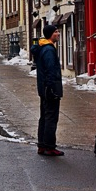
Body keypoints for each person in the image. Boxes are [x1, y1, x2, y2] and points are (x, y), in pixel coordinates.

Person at [30, 24, 64, 156]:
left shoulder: (42, 47)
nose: (58, 34)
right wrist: (52, 88)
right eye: (56, 32)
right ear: (50, 34)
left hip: (43, 89)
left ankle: (42, 145)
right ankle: (49, 146)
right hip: (50, 89)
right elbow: (51, 70)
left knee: (44, 116)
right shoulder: (49, 50)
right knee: (51, 117)